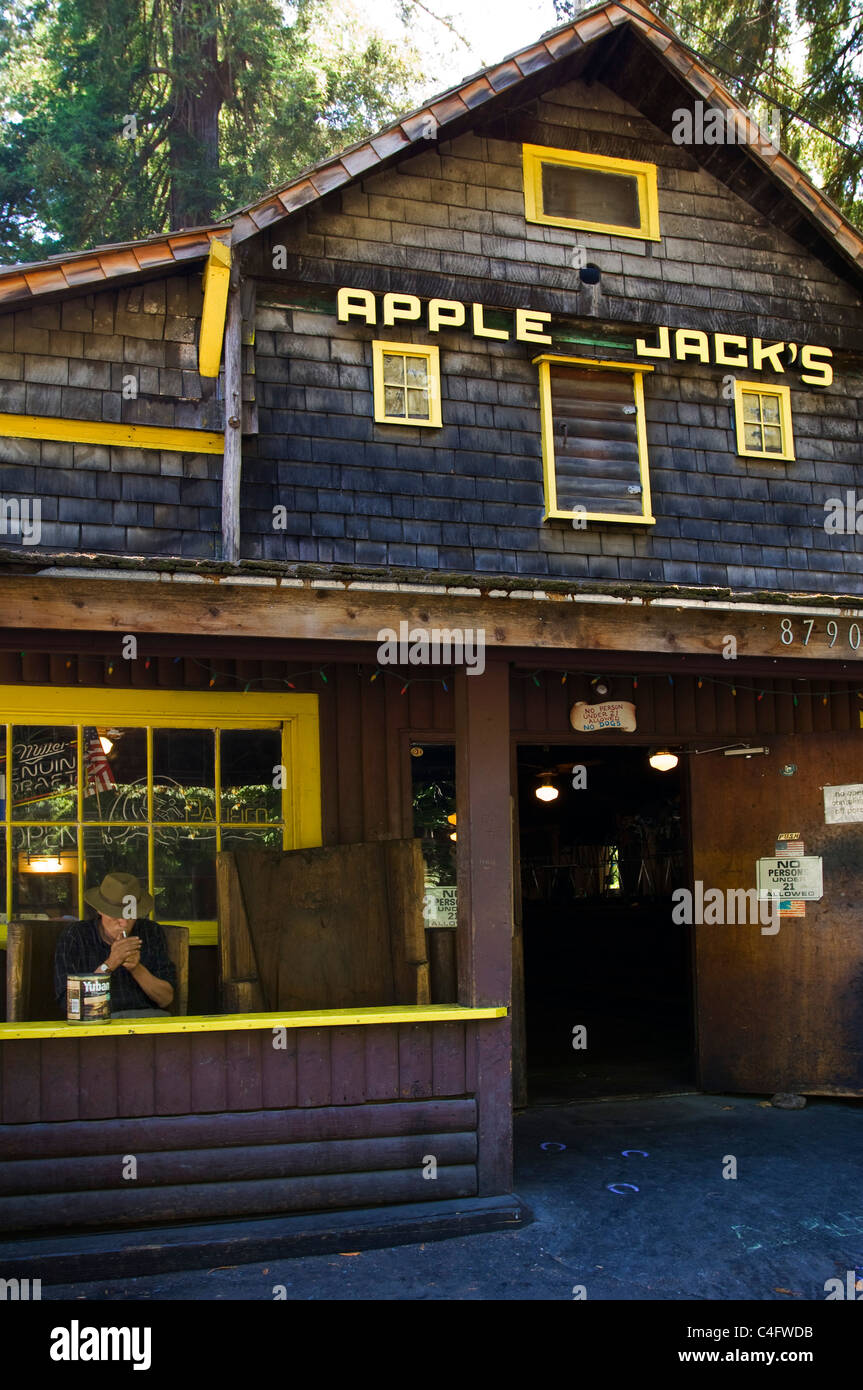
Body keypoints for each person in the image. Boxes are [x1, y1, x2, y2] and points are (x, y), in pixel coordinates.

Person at [53, 872, 176, 1018]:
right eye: (116, 914)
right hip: (97, 1022)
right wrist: (110, 964)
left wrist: (136, 968)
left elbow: (166, 999)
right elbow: (69, 1004)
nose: (124, 922)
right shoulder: (75, 936)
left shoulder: (151, 932)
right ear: (100, 910)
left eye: (130, 915)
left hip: (148, 1020)